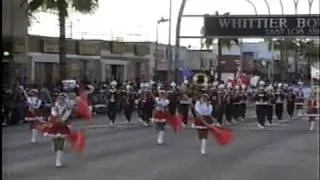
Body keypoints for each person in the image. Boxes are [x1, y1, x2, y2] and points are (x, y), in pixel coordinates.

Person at [44, 94, 72, 167]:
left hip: (63, 126)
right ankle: (53, 143)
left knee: (61, 144)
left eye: (62, 100)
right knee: (55, 143)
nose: (60, 101)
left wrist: (62, 119)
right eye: (59, 100)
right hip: (55, 125)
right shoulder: (54, 107)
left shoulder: (67, 108)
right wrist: (57, 116)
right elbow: (53, 114)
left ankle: (58, 161)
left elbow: (66, 116)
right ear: (57, 100)